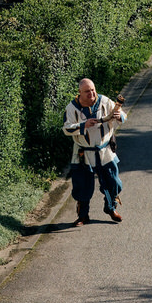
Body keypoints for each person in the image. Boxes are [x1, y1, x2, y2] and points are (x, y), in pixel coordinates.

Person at [63, 77, 127, 225]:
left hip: (105, 151)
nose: (91, 94)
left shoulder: (105, 101)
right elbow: (66, 129)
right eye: (87, 91)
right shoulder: (71, 108)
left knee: (113, 182)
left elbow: (123, 114)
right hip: (83, 153)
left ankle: (111, 208)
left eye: (93, 90)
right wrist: (83, 125)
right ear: (79, 92)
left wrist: (120, 116)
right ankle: (83, 215)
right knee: (82, 185)